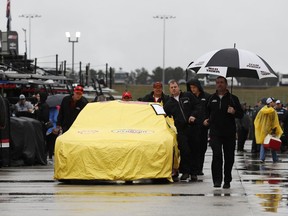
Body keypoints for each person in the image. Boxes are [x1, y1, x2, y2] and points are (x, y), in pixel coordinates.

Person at [203, 76, 243, 189]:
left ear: (226, 84)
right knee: (217, 155)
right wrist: (206, 120)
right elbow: (206, 112)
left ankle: (227, 180)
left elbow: (241, 114)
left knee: (229, 157)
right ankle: (217, 180)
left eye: (221, 82)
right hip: (215, 133)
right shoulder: (211, 98)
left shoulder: (233, 99)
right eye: (217, 82)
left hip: (229, 133)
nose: (219, 84)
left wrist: (234, 111)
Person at [164, 79, 200, 182]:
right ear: (169, 90)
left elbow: (197, 106)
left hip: (192, 127)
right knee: (184, 151)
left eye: (175, 87)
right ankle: (185, 172)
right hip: (181, 129)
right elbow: (163, 115)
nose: (174, 89)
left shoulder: (188, 96)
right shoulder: (169, 103)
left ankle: (194, 173)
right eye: (171, 87)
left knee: (194, 150)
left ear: (178, 87)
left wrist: (193, 115)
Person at [186, 78, 210, 176]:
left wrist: (208, 120)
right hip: (192, 126)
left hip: (203, 127)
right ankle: (192, 169)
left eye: (194, 87)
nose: (193, 89)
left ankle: (199, 168)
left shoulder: (207, 97)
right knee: (192, 148)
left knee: (202, 148)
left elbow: (210, 110)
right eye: (191, 87)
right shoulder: (188, 98)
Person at [254, 97, 283, 163]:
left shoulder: (262, 110)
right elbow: (274, 121)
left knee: (263, 144)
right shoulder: (272, 111)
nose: (274, 103)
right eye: (273, 102)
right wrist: (274, 129)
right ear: (270, 103)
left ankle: (262, 158)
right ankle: (275, 159)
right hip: (270, 130)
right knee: (273, 144)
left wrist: (260, 128)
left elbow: (257, 120)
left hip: (263, 130)